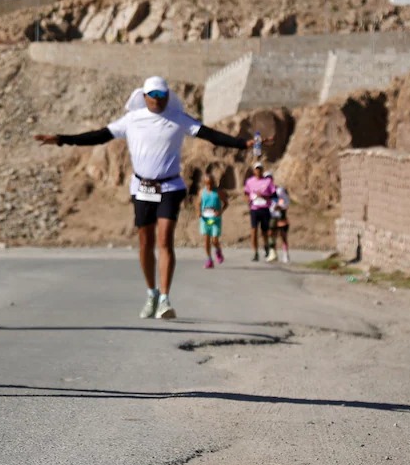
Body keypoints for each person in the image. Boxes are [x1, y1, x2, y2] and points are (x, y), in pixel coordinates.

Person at [36, 76, 263, 320]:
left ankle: (165, 299)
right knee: (145, 241)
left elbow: (210, 135)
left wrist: (243, 144)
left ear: (168, 96)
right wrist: (62, 139)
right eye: (153, 95)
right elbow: (99, 135)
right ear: (144, 97)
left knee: (165, 239)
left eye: (162, 95)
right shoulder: (132, 119)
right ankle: (151, 293)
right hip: (142, 188)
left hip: (170, 186)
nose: (158, 100)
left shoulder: (178, 118)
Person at [245, 162, 277, 261]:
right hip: (254, 209)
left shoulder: (267, 181)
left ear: (262, 170)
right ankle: (255, 252)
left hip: (265, 208)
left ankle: (266, 247)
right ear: (254, 171)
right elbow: (246, 193)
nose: (258, 171)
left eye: (260, 169)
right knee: (253, 231)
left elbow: (274, 195)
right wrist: (248, 201)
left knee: (265, 232)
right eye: (256, 169)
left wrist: (264, 196)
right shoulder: (250, 181)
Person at [198, 174, 224, 269]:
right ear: (205, 183)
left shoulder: (218, 192)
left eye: (211, 183)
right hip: (205, 219)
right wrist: (198, 212)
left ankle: (218, 250)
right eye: (207, 183)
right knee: (206, 240)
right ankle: (209, 259)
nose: (209, 185)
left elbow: (226, 203)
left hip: (215, 220)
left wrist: (220, 211)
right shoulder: (202, 192)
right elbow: (198, 203)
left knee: (215, 240)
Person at [270, 181, 291, 263]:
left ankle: (285, 254)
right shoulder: (268, 192)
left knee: (283, 236)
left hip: (281, 217)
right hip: (272, 217)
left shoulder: (280, 191)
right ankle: (273, 254)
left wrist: (280, 207)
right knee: (272, 235)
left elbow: (285, 203)